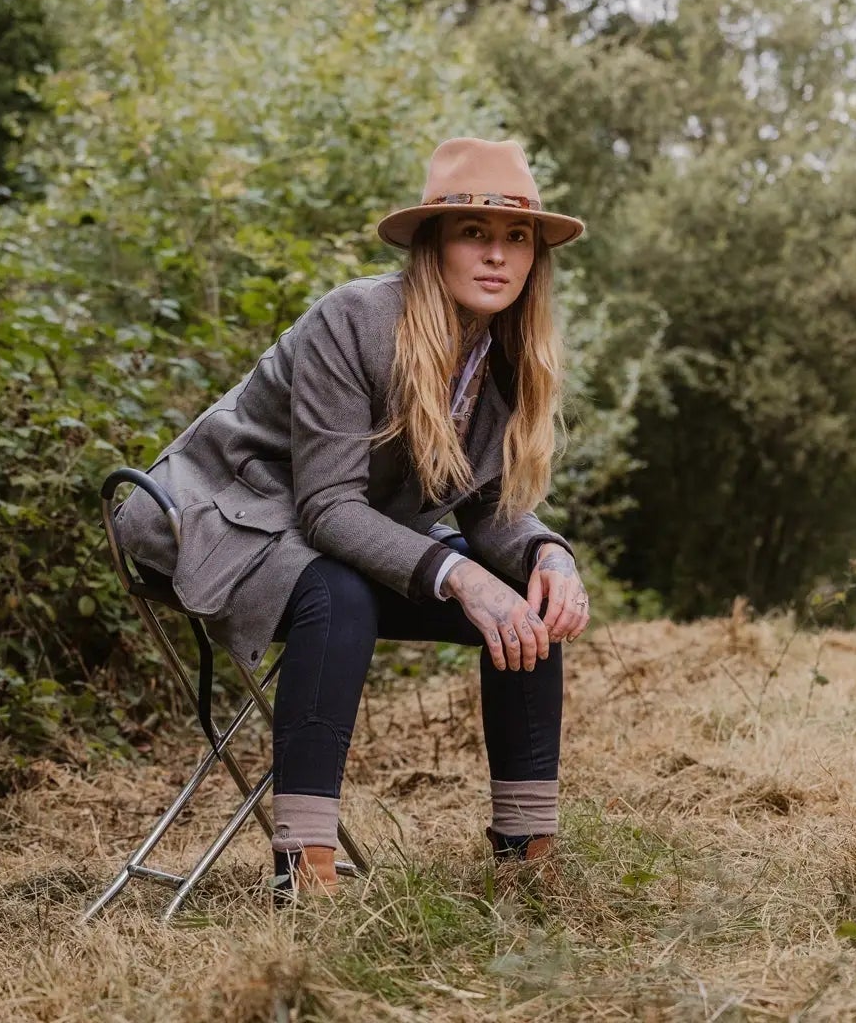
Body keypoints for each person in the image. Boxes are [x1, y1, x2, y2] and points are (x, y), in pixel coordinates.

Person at [112, 137, 591, 903]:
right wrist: (460, 575)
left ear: (536, 255)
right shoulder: (356, 319)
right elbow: (332, 508)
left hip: (311, 524)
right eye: (474, 233)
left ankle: (525, 855)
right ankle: (304, 870)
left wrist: (547, 557)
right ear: (434, 244)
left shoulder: (504, 351)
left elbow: (489, 505)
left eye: (516, 237)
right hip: (210, 512)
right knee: (340, 589)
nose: (497, 255)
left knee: (521, 601)